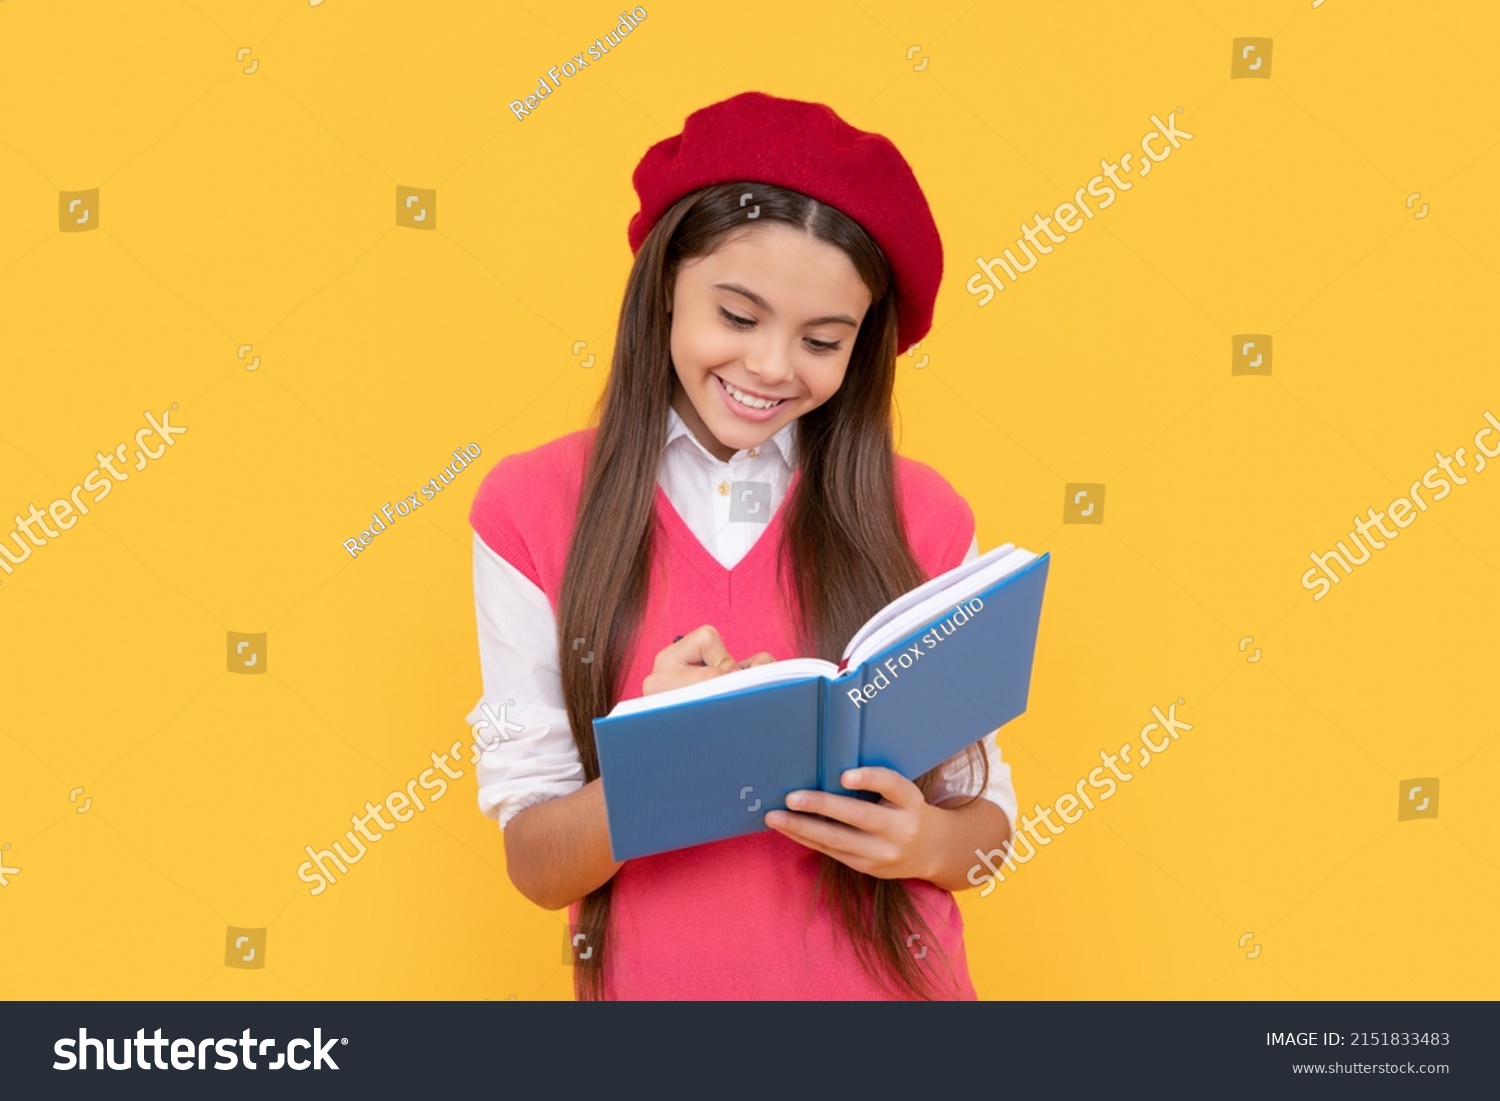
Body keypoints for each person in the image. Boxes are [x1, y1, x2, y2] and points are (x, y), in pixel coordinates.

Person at [466, 90, 1016, 1000]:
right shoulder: (530, 507)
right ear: (664, 289)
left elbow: (985, 829)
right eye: (737, 315)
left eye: (822, 340)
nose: (770, 366)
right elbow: (536, 863)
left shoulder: (923, 516)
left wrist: (925, 841)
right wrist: (665, 759)